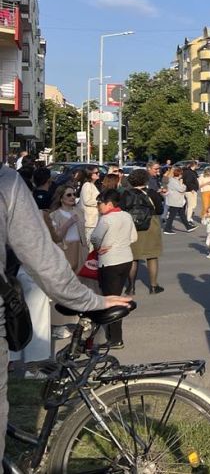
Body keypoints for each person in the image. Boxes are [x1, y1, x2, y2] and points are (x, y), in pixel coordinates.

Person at [0, 167, 132, 457]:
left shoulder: (7, 182)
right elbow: (40, 254)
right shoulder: (6, 182)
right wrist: (88, 300)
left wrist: (88, 299)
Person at [89, 189, 138, 348]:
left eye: (100, 204)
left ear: (109, 204)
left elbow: (95, 237)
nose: (98, 207)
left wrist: (98, 247)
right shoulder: (126, 215)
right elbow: (133, 238)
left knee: (112, 299)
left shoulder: (106, 219)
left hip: (110, 262)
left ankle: (116, 338)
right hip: (126, 259)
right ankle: (113, 333)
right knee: (116, 295)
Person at [122, 169, 165, 295]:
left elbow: (122, 209)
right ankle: (153, 286)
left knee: (133, 257)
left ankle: (131, 287)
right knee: (152, 256)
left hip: (131, 226)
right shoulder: (151, 193)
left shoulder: (126, 194)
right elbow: (160, 210)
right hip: (150, 225)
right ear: (145, 180)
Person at [48, 184, 87, 274]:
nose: (73, 197)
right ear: (61, 198)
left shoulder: (80, 212)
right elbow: (56, 237)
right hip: (65, 250)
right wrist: (69, 223)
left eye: (74, 194)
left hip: (80, 249)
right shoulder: (54, 215)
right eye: (69, 195)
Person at [163, 167, 195, 234]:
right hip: (174, 201)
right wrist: (183, 185)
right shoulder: (173, 181)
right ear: (179, 174)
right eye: (181, 174)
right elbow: (181, 189)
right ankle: (167, 229)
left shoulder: (175, 181)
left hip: (177, 201)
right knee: (172, 216)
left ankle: (188, 227)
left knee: (182, 214)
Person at [78, 167, 101, 243]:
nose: (98, 174)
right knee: (88, 243)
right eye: (96, 173)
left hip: (92, 219)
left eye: (98, 172)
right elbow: (87, 201)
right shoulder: (87, 185)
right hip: (89, 220)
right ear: (90, 174)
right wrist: (99, 202)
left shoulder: (91, 185)